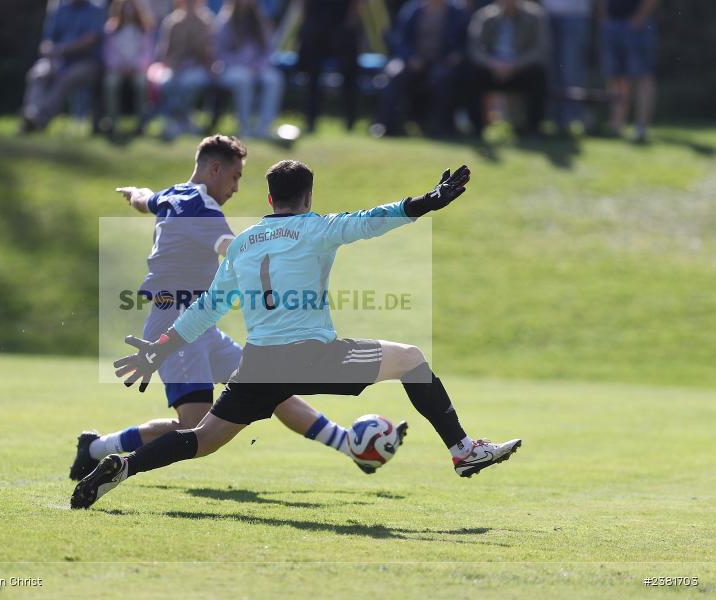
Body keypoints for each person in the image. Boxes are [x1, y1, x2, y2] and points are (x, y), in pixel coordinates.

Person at [72, 158, 522, 509]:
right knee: (411, 359)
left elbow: (206, 308)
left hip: (258, 364)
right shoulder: (318, 227)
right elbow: (374, 218)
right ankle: (462, 449)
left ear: (270, 199)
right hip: (312, 356)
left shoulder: (244, 243)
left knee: (202, 439)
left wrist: (159, 349)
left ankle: (125, 467)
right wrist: (429, 200)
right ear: (307, 197)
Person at [69, 135, 407, 483]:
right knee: (194, 424)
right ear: (215, 168)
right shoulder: (202, 207)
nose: (235, 188)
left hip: (200, 326)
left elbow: (145, 200)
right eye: (235, 177)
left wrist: (134, 193)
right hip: (177, 319)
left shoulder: (171, 195)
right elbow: (232, 248)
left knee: (271, 386)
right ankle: (97, 447)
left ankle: (348, 445)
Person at [374, 0, 470, 138]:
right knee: (394, 74)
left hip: (442, 62)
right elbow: (399, 39)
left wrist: (457, 55)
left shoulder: (456, 13)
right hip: (414, 61)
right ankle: (386, 125)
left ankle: (441, 127)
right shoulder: (413, 10)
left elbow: (464, 42)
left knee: (443, 78)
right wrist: (410, 57)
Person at [21, 0, 106, 132]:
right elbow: (47, 41)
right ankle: (31, 113)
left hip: (87, 63)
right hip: (58, 60)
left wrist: (61, 50)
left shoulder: (96, 10)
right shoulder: (60, 9)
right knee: (38, 73)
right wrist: (49, 51)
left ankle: (39, 120)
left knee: (66, 78)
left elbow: (90, 40)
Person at [466, 0, 548, 136]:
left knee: (539, 75)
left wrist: (516, 64)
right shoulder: (485, 16)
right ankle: (477, 128)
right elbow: (475, 49)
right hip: (492, 69)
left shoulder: (535, 15)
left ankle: (533, 128)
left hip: (521, 69)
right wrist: (492, 64)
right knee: (471, 74)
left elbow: (540, 50)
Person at [214, 0, 284, 138]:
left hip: (258, 67)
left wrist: (257, 66)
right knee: (243, 80)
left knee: (274, 79)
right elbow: (220, 53)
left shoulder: (260, 20)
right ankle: (244, 126)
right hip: (232, 68)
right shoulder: (225, 21)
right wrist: (242, 64)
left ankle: (264, 127)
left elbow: (269, 51)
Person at [295, 0, 362, 133]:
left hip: (341, 25)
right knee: (312, 78)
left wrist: (349, 23)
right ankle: (310, 120)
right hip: (315, 25)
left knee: (349, 77)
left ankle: (350, 121)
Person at [155, 0, 216, 140]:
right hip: (175, 67)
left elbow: (209, 52)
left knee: (189, 83)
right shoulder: (172, 22)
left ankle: (185, 120)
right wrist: (175, 65)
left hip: (198, 68)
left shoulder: (206, 22)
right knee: (167, 83)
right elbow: (164, 52)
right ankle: (174, 121)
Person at [600, 0, 658, 143]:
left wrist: (640, 17)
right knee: (616, 77)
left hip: (638, 23)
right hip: (612, 23)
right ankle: (616, 126)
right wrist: (605, 16)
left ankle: (641, 128)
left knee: (642, 77)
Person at [101, 0, 155, 133]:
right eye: (126, 7)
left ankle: (141, 122)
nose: (128, 11)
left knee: (141, 84)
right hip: (117, 69)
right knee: (110, 83)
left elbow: (147, 53)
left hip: (137, 69)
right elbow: (108, 53)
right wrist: (119, 66)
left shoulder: (143, 28)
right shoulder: (111, 28)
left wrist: (135, 66)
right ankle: (112, 121)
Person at [541, 0, 591, 132]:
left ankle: (574, 119)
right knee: (551, 72)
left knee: (571, 71)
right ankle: (555, 120)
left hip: (574, 15)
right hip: (547, 14)